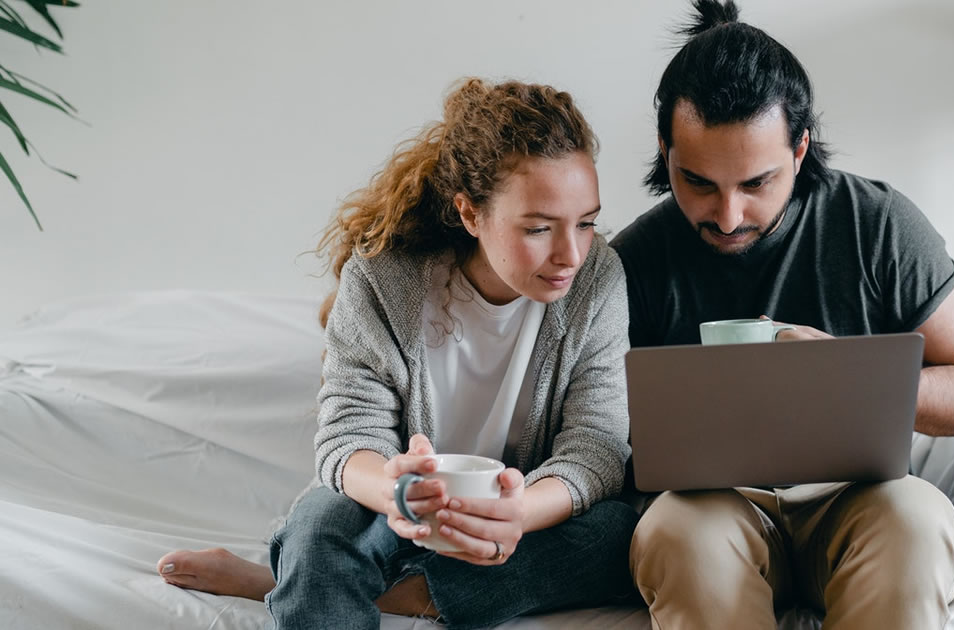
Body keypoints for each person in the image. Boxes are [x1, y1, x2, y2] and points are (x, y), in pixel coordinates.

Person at [156, 78, 638, 629]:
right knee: (321, 527)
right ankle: (316, 576)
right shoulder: (384, 279)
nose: (571, 253)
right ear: (470, 214)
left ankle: (320, 587)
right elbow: (347, 439)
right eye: (537, 228)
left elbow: (596, 446)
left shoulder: (598, 279)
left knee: (617, 535)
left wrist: (516, 513)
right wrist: (399, 493)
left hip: (520, 515)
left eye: (587, 222)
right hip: (393, 505)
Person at [609, 2, 954, 629]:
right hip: (710, 505)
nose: (729, 215)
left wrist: (843, 376)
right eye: (699, 182)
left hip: (856, 500)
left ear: (800, 149)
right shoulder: (634, 260)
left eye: (756, 183)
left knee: (918, 519)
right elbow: (591, 425)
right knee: (676, 534)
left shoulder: (876, 224)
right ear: (666, 151)